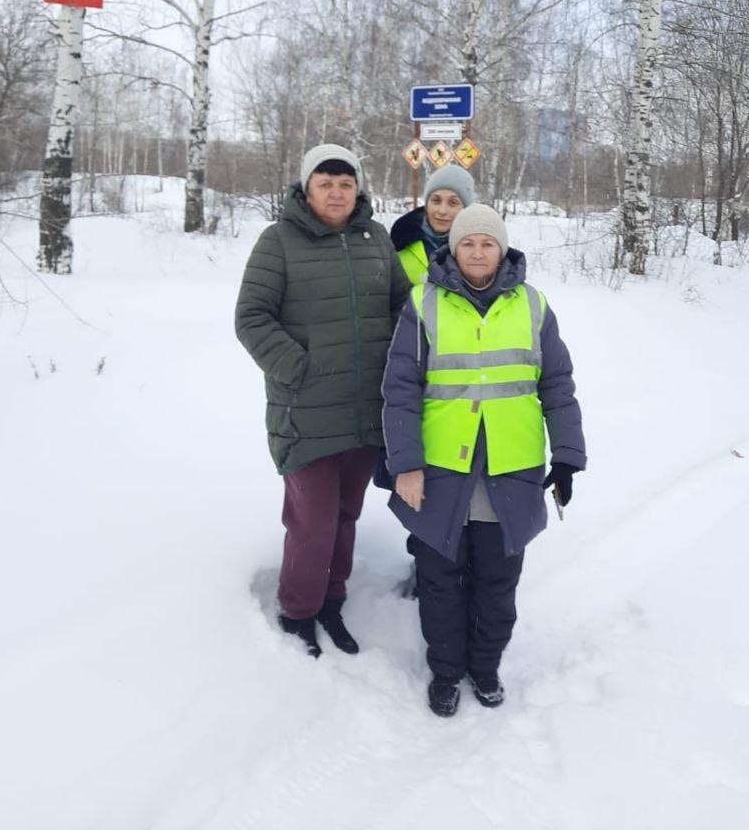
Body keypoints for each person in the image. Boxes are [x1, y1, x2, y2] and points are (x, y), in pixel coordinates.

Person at [381, 203, 586, 716]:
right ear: (454, 248)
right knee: (440, 582)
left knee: (498, 583)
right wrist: (405, 464)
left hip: (510, 471)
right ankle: (447, 673)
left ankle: (486, 667)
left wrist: (565, 457)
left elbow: (557, 386)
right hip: (439, 472)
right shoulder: (422, 304)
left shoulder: (533, 306)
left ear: (502, 248)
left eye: (487, 243)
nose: (477, 252)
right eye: (468, 242)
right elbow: (399, 390)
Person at [235, 143, 410, 658]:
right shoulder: (278, 241)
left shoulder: (374, 237)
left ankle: (332, 600)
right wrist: (300, 369)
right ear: (306, 189)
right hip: (306, 411)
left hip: (364, 407)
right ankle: (297, 611)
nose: (336, 192)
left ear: (358, 187)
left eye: (345, 182)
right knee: (311, 521)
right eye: (324, 183)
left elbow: (401, 304)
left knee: (346, 513)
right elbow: (251, 318)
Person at [390, 165, 475, 284]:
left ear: (465, 208)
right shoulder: (399, 243)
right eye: (436, 200)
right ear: (427, 203)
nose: (442, 211)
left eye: (453, 203)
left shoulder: (479, 250)